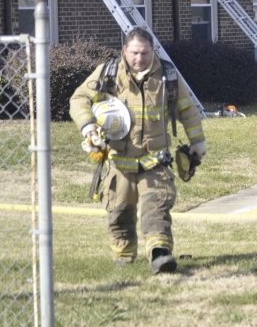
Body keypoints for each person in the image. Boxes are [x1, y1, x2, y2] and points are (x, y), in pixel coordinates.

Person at [69, 28, 206, 274]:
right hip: (119, 162)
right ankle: (123, 260)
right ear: (124, 50)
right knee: (119, 213)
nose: (139, 58)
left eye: (144, 53)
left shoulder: (168, 75)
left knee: (157, 207)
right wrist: (88, 126)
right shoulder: (108, 72)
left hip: (155, 161)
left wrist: (197, 141)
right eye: (134, 53)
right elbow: (79, 99)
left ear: (153, 51)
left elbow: (187, 108)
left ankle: (160, 255)